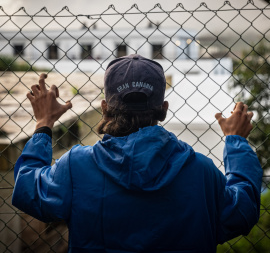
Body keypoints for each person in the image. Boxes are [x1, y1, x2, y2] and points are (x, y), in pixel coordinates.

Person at [12, 54, 263, 253]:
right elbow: (242, 212)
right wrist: (236, 142)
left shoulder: (76, 167)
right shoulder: (201, 172)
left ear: (104, 108)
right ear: (163, 110)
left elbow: (27, 189)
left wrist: (43, 123)